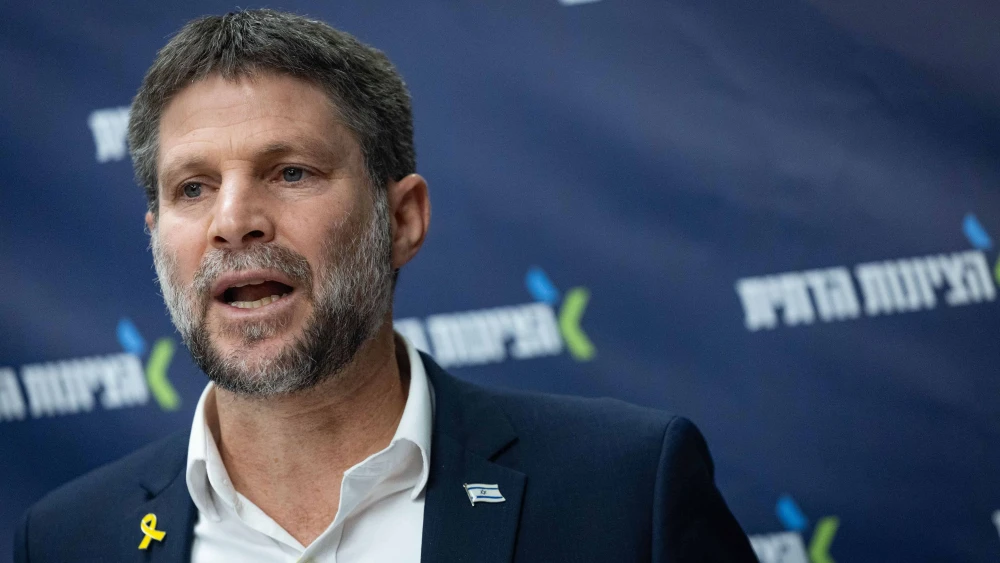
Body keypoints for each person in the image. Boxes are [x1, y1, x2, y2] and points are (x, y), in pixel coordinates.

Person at [13, 9, 758, 562]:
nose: (233, 221)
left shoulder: (624, 488)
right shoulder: (69, 538)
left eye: (291, 172)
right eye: (194, 187)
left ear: (401, 218)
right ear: (155, 235)